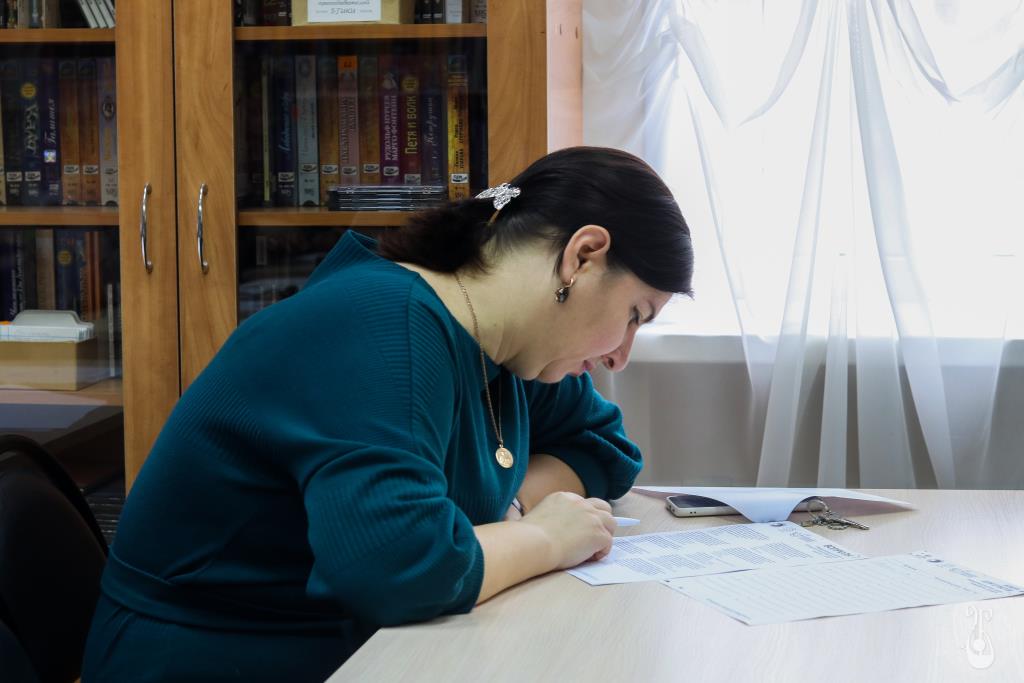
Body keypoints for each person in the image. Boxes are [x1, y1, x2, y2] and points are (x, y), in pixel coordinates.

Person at [82, 146, 694, 681]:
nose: (619, 356)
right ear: (582, 257)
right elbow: (398, 570)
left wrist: (505, 514)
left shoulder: (503, 343)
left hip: (356, 645)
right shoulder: (384, 327)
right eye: (634, 315)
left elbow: (604, 448)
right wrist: (542, 537)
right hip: (216, 655)